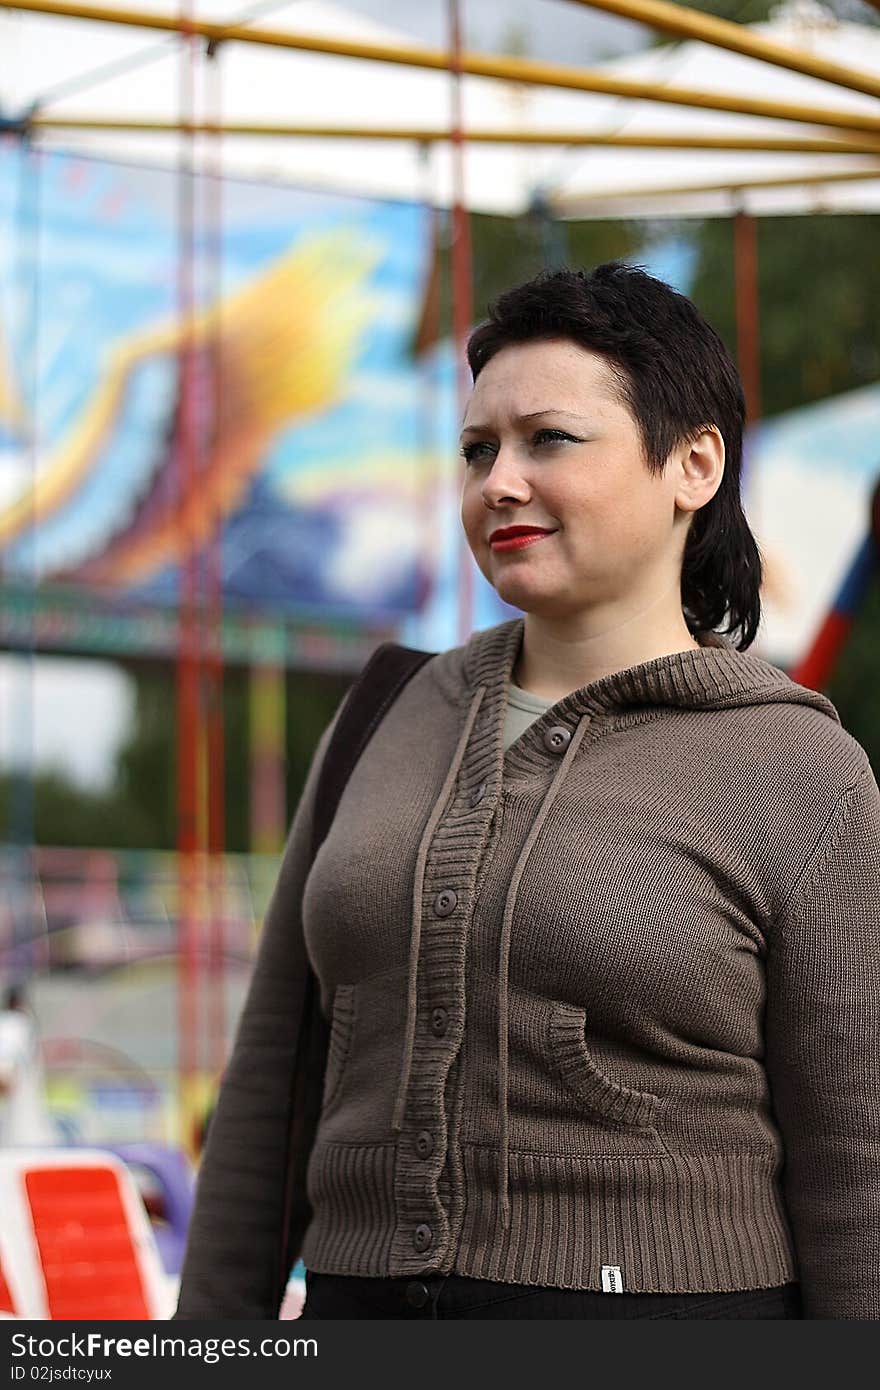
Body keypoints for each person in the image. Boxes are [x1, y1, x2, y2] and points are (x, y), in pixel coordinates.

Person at [176, 262, 880, 1321]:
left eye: (548, 439)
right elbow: (272, 1083)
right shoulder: (385, 713)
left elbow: (857, 1168)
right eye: (476, 450)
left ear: (692, 465)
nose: (498, 480)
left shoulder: (796, 768)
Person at [0, 983, 56, 1147]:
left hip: (21, 1139)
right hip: (27, 1136)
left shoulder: (14, 1025)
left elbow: (5, 1078)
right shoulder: (16, 1025)